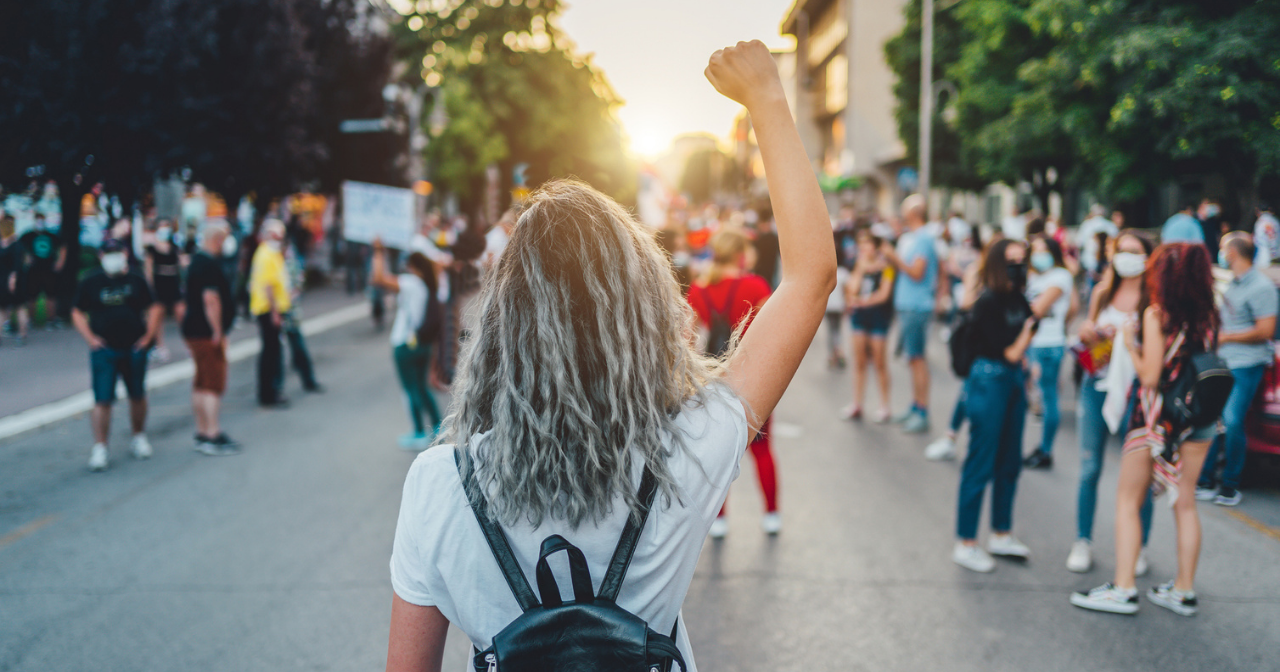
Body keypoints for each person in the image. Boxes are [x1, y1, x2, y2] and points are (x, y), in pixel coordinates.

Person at [384, 40, 837, 672]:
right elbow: (811, 274)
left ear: (501, 327)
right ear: (641, 314)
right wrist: (765, 98)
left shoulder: (439, 485)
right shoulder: (687, 448)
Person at [1072, 243, 1220, 616]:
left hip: (1157, 420)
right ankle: (1183, 590)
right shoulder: (1210, 315)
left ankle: (1123, 588)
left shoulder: (1157, 314)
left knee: (1127, 501)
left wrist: (1129, 345)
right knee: (1185, 503)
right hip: (1198, 418)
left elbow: (1151, 376)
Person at [1066, 231, 1156, 574]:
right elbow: (1086, 331)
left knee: (1138, 475)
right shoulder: (1103, 291)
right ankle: (1082, 540)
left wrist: (1129, 341)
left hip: (1137, 392)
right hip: (1096, 384)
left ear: (1148, 258)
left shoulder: (1153, 299)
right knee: (1089, 468)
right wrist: (1088, 332)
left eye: (1135, 252)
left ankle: (1140, 546)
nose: (1127, 257)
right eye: (1122, 251)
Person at [950, 239, 1036, 572]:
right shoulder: (986, 302)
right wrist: (1028, 335)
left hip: (1012, 381)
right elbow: (1012, 350)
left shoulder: (1017, 297)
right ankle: (966, 541)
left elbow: (1020, 344)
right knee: (981, 461)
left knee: (1010, 461)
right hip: (989, 380)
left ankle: (1001, 533)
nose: (1019, 265)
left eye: (1023, 259)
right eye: (1012, 260)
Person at [686, 228, 778, 537]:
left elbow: (690, 341)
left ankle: (720, 519)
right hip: (756, 377)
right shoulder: (756, 285)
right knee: (763, 450)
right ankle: (771, 514)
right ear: (740, 254)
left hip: (715, 380)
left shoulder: (698, 290)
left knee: (719, 453)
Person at [1196, 233, 1277, 506]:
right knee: (1212, 420)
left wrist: (1227, 338)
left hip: (1246, 363)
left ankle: (1230, 485)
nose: (1220, 254)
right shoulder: (1233, 284)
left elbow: (1265, 330)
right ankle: (1205, 481)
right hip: (1223, 362)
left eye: (1222, 249)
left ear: (1232, 253)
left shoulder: (1261, 287)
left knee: (1231, 421)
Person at [70, 239, 162, 472]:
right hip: (105, 348)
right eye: (109, 253)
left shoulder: (136, 279)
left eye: (117, 252)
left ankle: (138, 436)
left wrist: (148, 337)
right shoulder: (91, 281)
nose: (113, 257)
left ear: (125, 254)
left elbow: (154, 307)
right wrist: (90, 339)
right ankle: (100, 446)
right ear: (101, 255)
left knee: (137, 394)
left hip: (133, 346)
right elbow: (77, 311)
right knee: (102, 399)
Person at [371, 240, 444, 451]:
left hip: (404, 344)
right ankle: (437, 426)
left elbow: (378, 279)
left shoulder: (411, 284)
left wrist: (378, 251)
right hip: (423, 344)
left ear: (413, 267)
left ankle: (419, 431)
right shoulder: (429, 286)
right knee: (422, 387)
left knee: (410, 388)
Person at [881, 194, 938, 433]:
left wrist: (894, 259)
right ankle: (916, 406)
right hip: (908, 304)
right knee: (912, 358)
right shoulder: (912, 238)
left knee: (917, 358)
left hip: (916, 305)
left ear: (914, 212)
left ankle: (922, 410)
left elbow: (917, 272)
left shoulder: (923, 238)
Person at [182, 221, 240, 455]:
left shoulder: (198, 261)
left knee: (201, 381)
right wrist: (218, 332)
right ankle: (212, 434)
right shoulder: (208, 265)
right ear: (216, 238)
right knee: (212, 383)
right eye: (224, 238)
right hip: (206, 333)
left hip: (194, 330)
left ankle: (202, 431)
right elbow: (211, 300)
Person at [1022, 235, 1075, 469]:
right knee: (1040, 394)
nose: (1039, 254)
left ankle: (1046, 449)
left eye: (1043, 249)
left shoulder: (1060, 276)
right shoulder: (1034, 276)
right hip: (1035, 341)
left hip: (1048, 344)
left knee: (1048, 396)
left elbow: (1038, 309)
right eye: (1035, 250)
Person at [843, 225, 895, 422]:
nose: (864, 249)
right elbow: (852, 289)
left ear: (876, 247)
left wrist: (863, 301)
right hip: (860, 317)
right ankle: (857, 403)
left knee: (880, 361)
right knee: (859, 361)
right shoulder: (860, 265)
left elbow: (884, 294)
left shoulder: (887, 267)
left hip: (878, 316)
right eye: (861, 245)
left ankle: (885, 405)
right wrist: (860, 269)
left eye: (867, 245)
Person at [249, 219, 292, 408]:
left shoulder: (271, 253)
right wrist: (275, 312)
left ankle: (270, 391)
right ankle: (268, 393)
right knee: (270, 352)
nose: (279, 239)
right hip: (267, 310)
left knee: (272, 351)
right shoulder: (266, 255)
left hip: (271, 309)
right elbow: (268, 286)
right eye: (277, 236)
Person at [144, 219, 184, 362]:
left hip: (173, 281)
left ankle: (190, 341)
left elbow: (181, 263)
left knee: (181, 311)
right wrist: (150, 287)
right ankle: (158, 346)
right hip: (160, 282)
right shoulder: (152, 249)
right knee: (157, 315)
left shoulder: (174, 246)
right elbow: (148, 268)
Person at [20, 213, 66, 329]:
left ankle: (51, 320)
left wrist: (60, 262)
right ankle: (30, 320)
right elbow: (18, 248)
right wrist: (25, 258)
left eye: (42, 220)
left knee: (51, 295)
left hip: (49, 269)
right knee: (31, 296)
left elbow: (63, 246)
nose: (40, 222)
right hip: (33, 270)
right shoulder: (28, 235)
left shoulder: (51, 235)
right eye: (38, 220)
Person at [0, 216, 30, 345]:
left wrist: (13, 278)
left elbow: (18, 264)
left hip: (14, 279)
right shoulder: (9, 244)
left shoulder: (16, 244)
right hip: (3, 280)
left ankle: (22, 334)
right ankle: (19, 335)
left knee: (19, 307)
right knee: (4, 308)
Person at [1252, 202, 1279, 268]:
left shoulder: (1261, 222)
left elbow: (1259, 240)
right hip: (1276, 254)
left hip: (1264, 256)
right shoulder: (1275, 221)